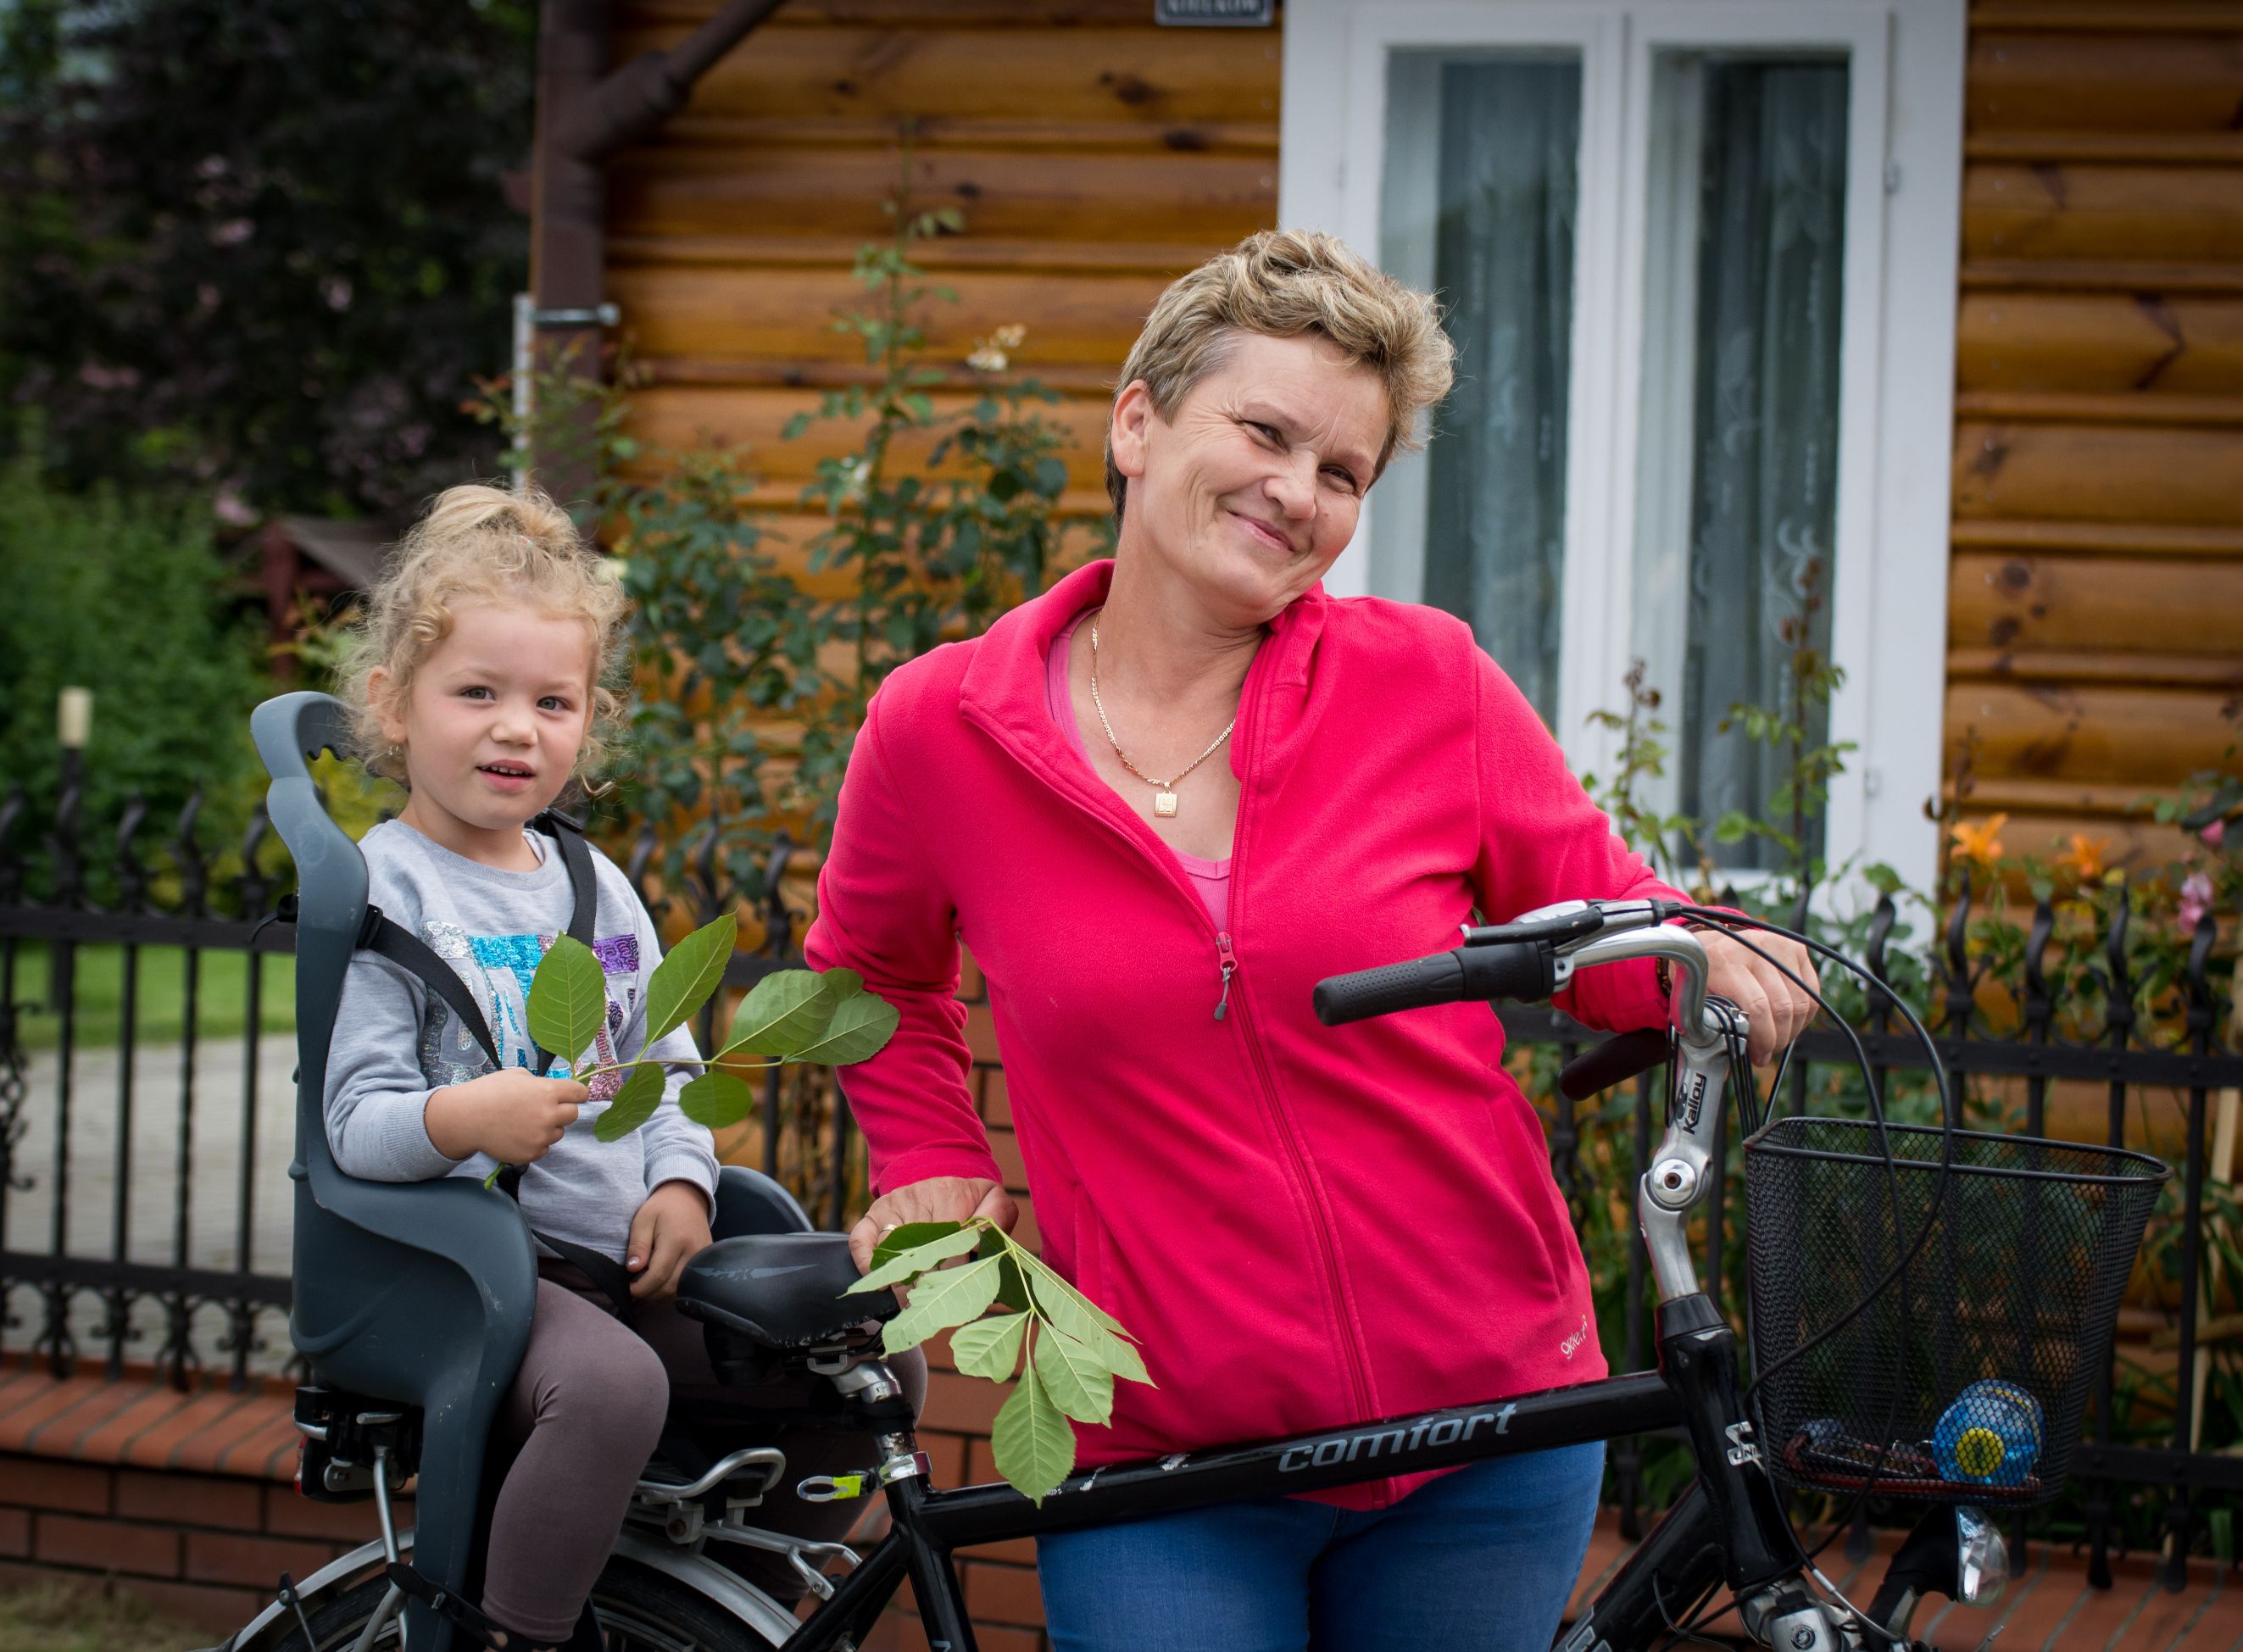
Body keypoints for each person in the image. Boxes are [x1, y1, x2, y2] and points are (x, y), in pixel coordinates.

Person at [808, 231, 1819, 1651]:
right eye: (1265, 433)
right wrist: (927, 1154)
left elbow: (1601, 916)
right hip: (1165, 1444)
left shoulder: (1428, 681)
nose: (1296, 491)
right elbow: (869, 969)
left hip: (1492, 1422)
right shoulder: (940, 727)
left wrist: (1713, 950)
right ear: (1137, 422)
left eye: (1343, 472)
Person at [325, 483, 918, 1651]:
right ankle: (518, 1638)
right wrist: (464, 1118)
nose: (517, 728)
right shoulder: (382, 891)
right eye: (477, 693)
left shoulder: (593, 889)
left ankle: (710, 1617)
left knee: (868, 1359)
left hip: (624, 1267)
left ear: (588, 725)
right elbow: (353, 1124)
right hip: (473, 1273)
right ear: (393, 703)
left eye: (552, 702)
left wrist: (682, 1181)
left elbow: (667, 1063)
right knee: (611, 1388)